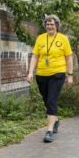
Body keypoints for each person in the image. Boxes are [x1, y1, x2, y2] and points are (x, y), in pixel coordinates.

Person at [27, 14, 73, 143]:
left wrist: (70, 75)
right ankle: (56, 120)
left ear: (57, 25)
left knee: (52, 100)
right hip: (41, 74)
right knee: (47, 100)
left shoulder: (63, 39)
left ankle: (49, 131)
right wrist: (31, 72)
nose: (49, 26)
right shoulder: (40, 38)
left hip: (57, 73)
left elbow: (69, 57)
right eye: (47, 24)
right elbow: (35, 56)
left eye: (52, 24)